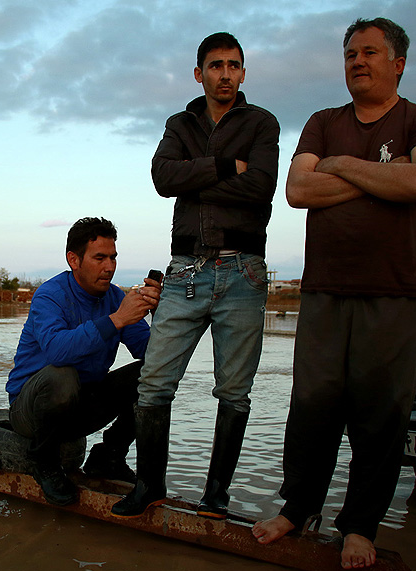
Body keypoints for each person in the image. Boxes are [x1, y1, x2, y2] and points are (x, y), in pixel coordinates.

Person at [251, 17, 416, 569]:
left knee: (380, 410)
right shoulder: (323, 122)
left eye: (369, 52)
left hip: (394, 290)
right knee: (312, 403)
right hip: (325, 288)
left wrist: (340, 167)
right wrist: (381, 176)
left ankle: (360, 525)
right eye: (350, 54)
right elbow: (298, 190)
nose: (357, 62)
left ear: (398, 63)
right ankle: (299, 508)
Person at [111, 32, 279, 520]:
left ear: (243, 72)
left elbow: (261, 187)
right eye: (215, 65)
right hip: (185, 269)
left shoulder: (261, 122)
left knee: (234, 390)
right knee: (153, 382)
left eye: (233, 65)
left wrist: (195, 177)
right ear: (198, 73)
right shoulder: (179, 124)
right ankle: (149, 487)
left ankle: (216, 497)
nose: (225, 74)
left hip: (244, 272)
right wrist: (226, 166)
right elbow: (163, 178)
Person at [6, 217, 161, 506]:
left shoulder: (115, 298)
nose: (109, 267)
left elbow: (150, 352)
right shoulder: (49, 296)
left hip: (81, 406)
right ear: (73, 260)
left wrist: (161, 315)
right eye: (99, 258)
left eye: (113, 257)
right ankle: (44, 461)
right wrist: (116, 320)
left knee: (155, 374)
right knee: (62, 375)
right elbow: (57, 351)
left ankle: (108, 456)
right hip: (31, 411)